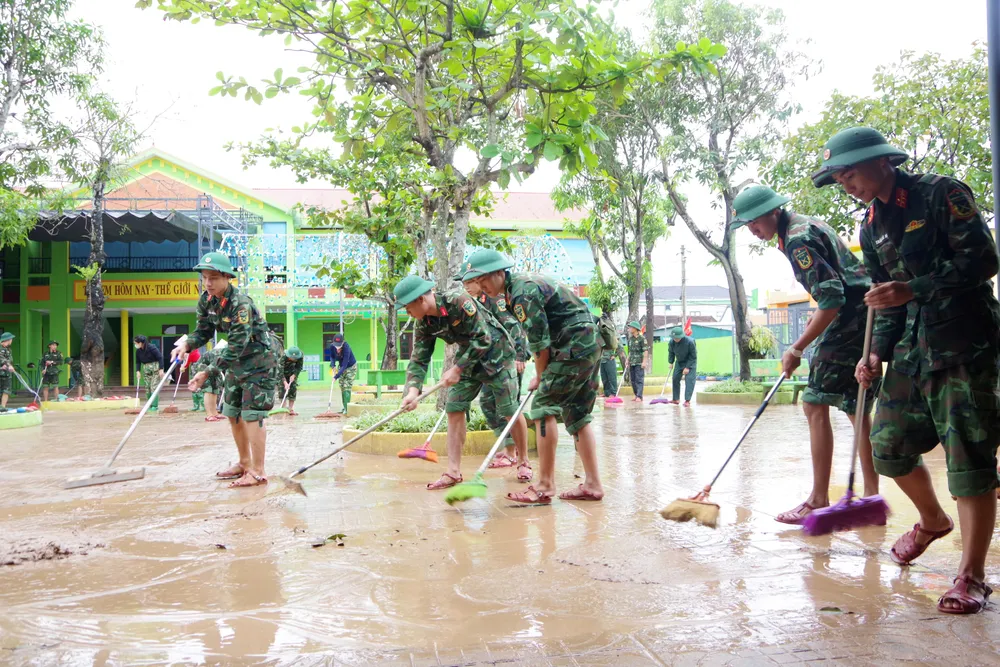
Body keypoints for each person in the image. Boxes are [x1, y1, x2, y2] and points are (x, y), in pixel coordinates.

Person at [814, 126, 1000, 614]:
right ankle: (933, 520)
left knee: (970, 458)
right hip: (912, 353)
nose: (845, 182)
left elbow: (984, 260)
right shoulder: (870, 225)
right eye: (838, 176)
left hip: (964, 343)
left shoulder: (942, 193)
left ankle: (972, 576)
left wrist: (915, 287)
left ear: (882, 162)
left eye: (849, 172)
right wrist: (874, 352)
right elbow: (885, 302)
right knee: (888, 445)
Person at [731, 184, 878, 523]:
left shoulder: (798, 240)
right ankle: (871, 497)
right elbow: (833, 290)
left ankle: (817, 499)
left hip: (851, 318)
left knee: (814, 402)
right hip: (865, 313)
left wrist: (797, 347)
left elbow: (833, 298)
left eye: (755, 221)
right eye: (747, 226)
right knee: (857, 407)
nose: (753, 230)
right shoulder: (803, 225)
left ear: (773, 211)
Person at [463, 249, 604, 504]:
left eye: (483, 279)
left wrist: (540, 377)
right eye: (477, 282)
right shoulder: (518, 287)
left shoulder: (521, 292)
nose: (481, 286)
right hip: (588, 343)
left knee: (542, 408)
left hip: (572, 345)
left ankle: (544, 486)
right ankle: (592, 484)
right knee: (578, 415)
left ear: (498, 272)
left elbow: (539, 344)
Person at [393, 274, 528, 491]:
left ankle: (523, 462)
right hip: (469, 360)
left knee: (509, 409)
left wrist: (456, 369)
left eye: (407, 308)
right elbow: (419, 359)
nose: (407, 313)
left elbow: (483, 338)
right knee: (454, 408)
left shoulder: (458, 300)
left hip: (498, 355)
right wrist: (412, 391)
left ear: (421, 300)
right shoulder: (424, 323)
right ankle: (453, 472)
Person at [178, 251, 278, 488]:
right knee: (232, 411)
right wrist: (186, 344)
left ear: (227, 278)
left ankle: (258, 471)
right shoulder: (206, 301)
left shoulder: (240, 305)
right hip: (237, 361)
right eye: (204, 277)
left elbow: (236, 344)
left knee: (252, 414)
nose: (208, 283)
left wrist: (208, 371)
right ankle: (244, 463)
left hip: (259, 360)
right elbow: (202, 331)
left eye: (213, 278)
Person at [462, 272, 532, 480]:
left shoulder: (495, 299)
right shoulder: (478, 301)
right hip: (490, 363)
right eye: (463, 283)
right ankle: (510, 448)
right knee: (487, 403)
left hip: (509, 360)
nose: (466, 287)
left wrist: (521, 355)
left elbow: (514, 326)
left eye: (469, 282)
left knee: (509, 407)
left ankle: (515, 454)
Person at [192, 340, 227, 422]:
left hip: (214, 368)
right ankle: (209, 415)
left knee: (215, 389)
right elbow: (215, 366)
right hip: (203, 367)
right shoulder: (219, 354)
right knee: (208, 390)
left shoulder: (229, 355)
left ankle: (214, 413)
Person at [596, 311, 627, 398]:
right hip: (602, 358)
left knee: (612, 377)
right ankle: (606, 393)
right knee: (604, 377)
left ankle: (613, 393)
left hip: (609, 357)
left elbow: (619, 344)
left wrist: (615, 355)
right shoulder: (600, 332)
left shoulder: (611, 331)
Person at [666, 326, 698, 407]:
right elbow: (671, 352)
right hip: (679, 361)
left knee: (689, 380)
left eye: (677, 338)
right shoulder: (671, 342)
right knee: (675, 378)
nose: (675, 339)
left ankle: (687, 400)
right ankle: (675, 399)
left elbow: (693, 356)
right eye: (674, 338)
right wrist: (671, 362)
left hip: (690, 362)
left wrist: (687, 367)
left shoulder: (690, 342)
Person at [134, 336, 165, 412]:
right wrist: (137, 371)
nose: (135, 344)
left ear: (140, 343)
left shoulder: (152, 348)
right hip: (146, 369)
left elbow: (160, 357)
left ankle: (154, 406)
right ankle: (149, 405)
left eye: (136, 343)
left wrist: (161, 369)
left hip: (155, 368)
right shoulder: (138, 351)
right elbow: (138, 362)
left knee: (153, 386)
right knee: (147, 387)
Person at [330, 333, 357, 414]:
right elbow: (332, 356)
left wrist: (336, 376)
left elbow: (345, 365)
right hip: (341, 367)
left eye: (339, 346)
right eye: (336, 345)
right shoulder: (332, 346)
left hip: (350, 367)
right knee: (342, 386)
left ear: (343, 342)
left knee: (346, 386)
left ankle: (347, 409)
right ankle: (344, 407)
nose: (337, 348)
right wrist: (333, 365)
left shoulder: (346, 348)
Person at [626, 321, 647, 402]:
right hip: (632, 362)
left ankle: (639, 396)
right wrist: (627, 360)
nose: (629, 329)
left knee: (639, 379)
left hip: (639, 362)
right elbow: (630, 351)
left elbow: (645, 351)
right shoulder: (630, 339)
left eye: (631, 327)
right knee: (633, 380)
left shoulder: (642, 338)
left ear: (635, 328)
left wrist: (644, 362)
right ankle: (636, 395)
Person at [281, 346, 303, 416]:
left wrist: (294, 375)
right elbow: (279, 371)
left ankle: (290, 409)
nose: (293, 359)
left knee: (293, 389)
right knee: (282, 390)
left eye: (295, 358)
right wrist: (285, 382)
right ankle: (283, 409)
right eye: (292, 358)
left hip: (292, 372)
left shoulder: (300, 355)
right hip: (282, 372)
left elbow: (299, 367)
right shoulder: (282, 356)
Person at [0, 332, 13, 412]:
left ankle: (2, 406)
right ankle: (2, 406)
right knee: (4, 390)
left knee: (5, 390)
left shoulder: (8, 349)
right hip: (2, 373)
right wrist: (8, 365)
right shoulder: (0, 348)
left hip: (6, 373)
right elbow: (1, 358)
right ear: (8, 339)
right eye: (11, 339)